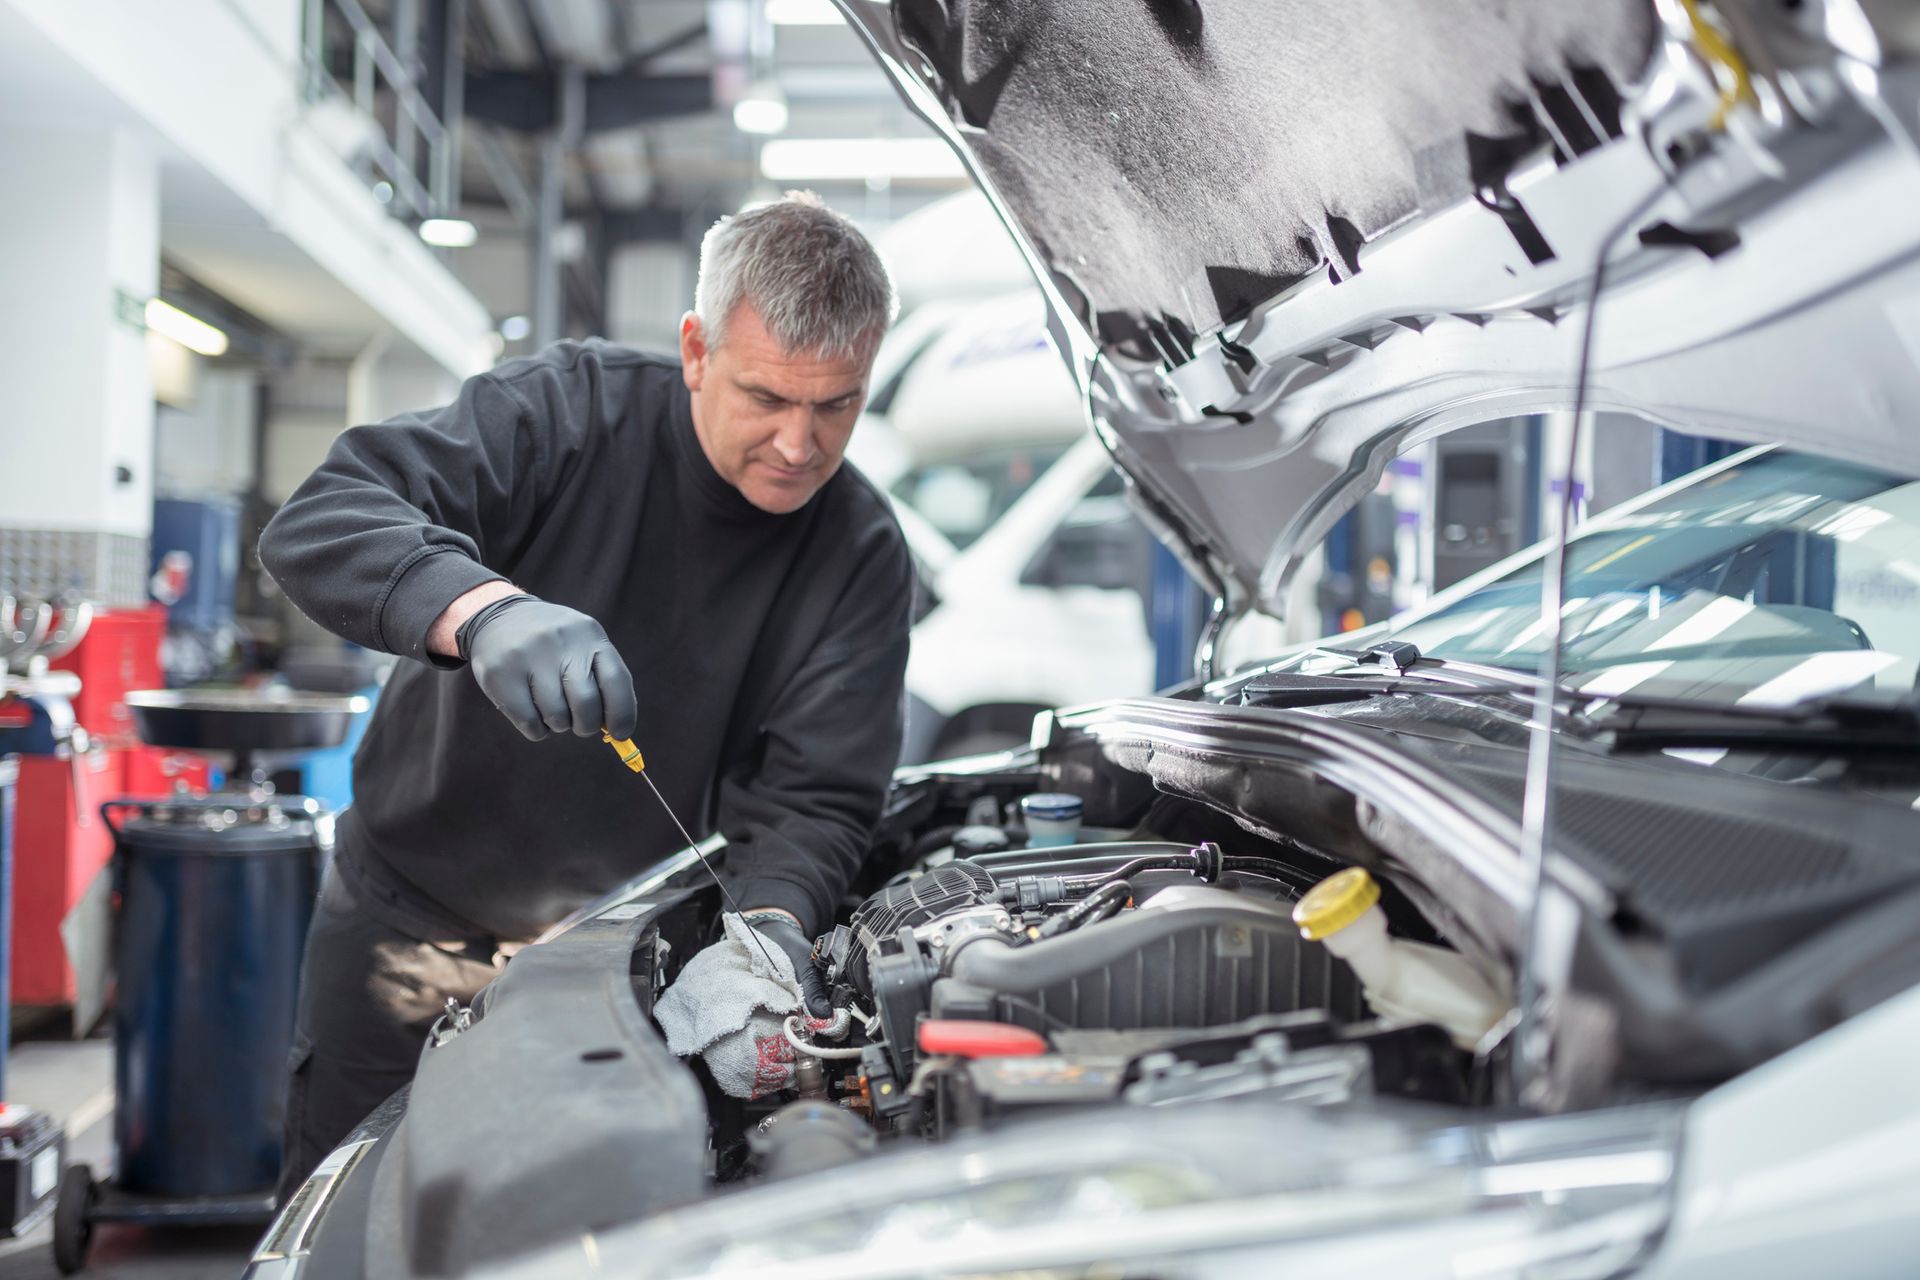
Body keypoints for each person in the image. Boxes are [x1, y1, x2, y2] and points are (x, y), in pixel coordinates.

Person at [258, 192, 911, 1199]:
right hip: (410, 929)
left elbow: (816, 796)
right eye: (767, 397)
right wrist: (476, 610)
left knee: (570, 1227)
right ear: (696, 349)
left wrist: (770, 931)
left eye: (837, 405)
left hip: (621, 974)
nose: (799, 443)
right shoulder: (567, 413)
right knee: (355, 1219)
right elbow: (324, 515)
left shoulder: (860, 552)